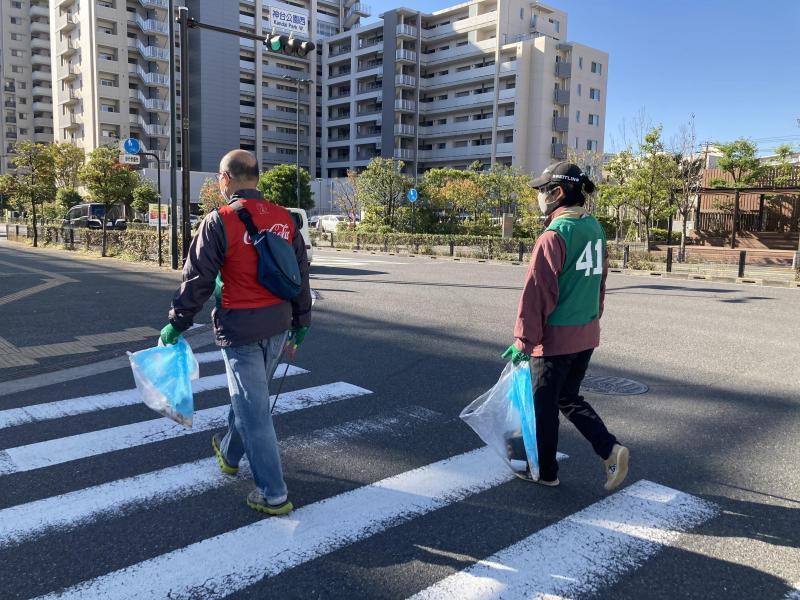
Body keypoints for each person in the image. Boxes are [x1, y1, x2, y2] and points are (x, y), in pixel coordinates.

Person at [160, 149, 312, 515]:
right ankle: (229, 454)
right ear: (257, 177)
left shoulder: (219, 220)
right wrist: (301, 321)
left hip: (241, 329)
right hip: (278, 326)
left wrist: (177, 323)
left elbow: (196, 279)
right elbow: (301, 274)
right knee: (250, 401)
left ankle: (272, 493)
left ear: (225, 179)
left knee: (254, 413)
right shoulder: (285, 219)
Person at [502, 161, 628, 491]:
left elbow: (537, 293)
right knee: (568, 397)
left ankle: (545, 472)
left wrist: (523, 341)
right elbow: (600, 280)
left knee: (544, 406)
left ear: (558, 193)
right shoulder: (594, 228)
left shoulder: (554, 235)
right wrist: (592, 319)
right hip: (585, 334)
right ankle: (609, 449)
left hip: (554, 340)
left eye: (543, 191)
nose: (539, 197)